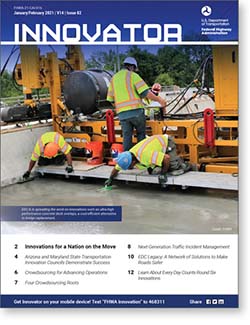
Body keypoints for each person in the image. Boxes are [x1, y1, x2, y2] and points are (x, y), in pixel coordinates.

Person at [107, 57, 167, 151]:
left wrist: (120, 109)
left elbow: (110, 99)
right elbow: (145, 93)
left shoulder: (113, 79)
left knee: (127, 137)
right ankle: (141, 157)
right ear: (132, 67)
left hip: (122, 115)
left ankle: (128, 159)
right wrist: (159, 99)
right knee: (140, 134)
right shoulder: (133, 76)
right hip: (136, 112)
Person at [104, 134, 193, 186]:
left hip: (165, 143)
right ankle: (162, 164)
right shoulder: (126, 157)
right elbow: (116, 168)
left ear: (133, 161)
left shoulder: (145, 155)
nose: (129, 168)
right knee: (154, 171)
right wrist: (111, 178)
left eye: (129, 167)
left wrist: (163, 174)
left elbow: (166, 158)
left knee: (173, 167)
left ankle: (187, 165)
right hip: (155, 148)